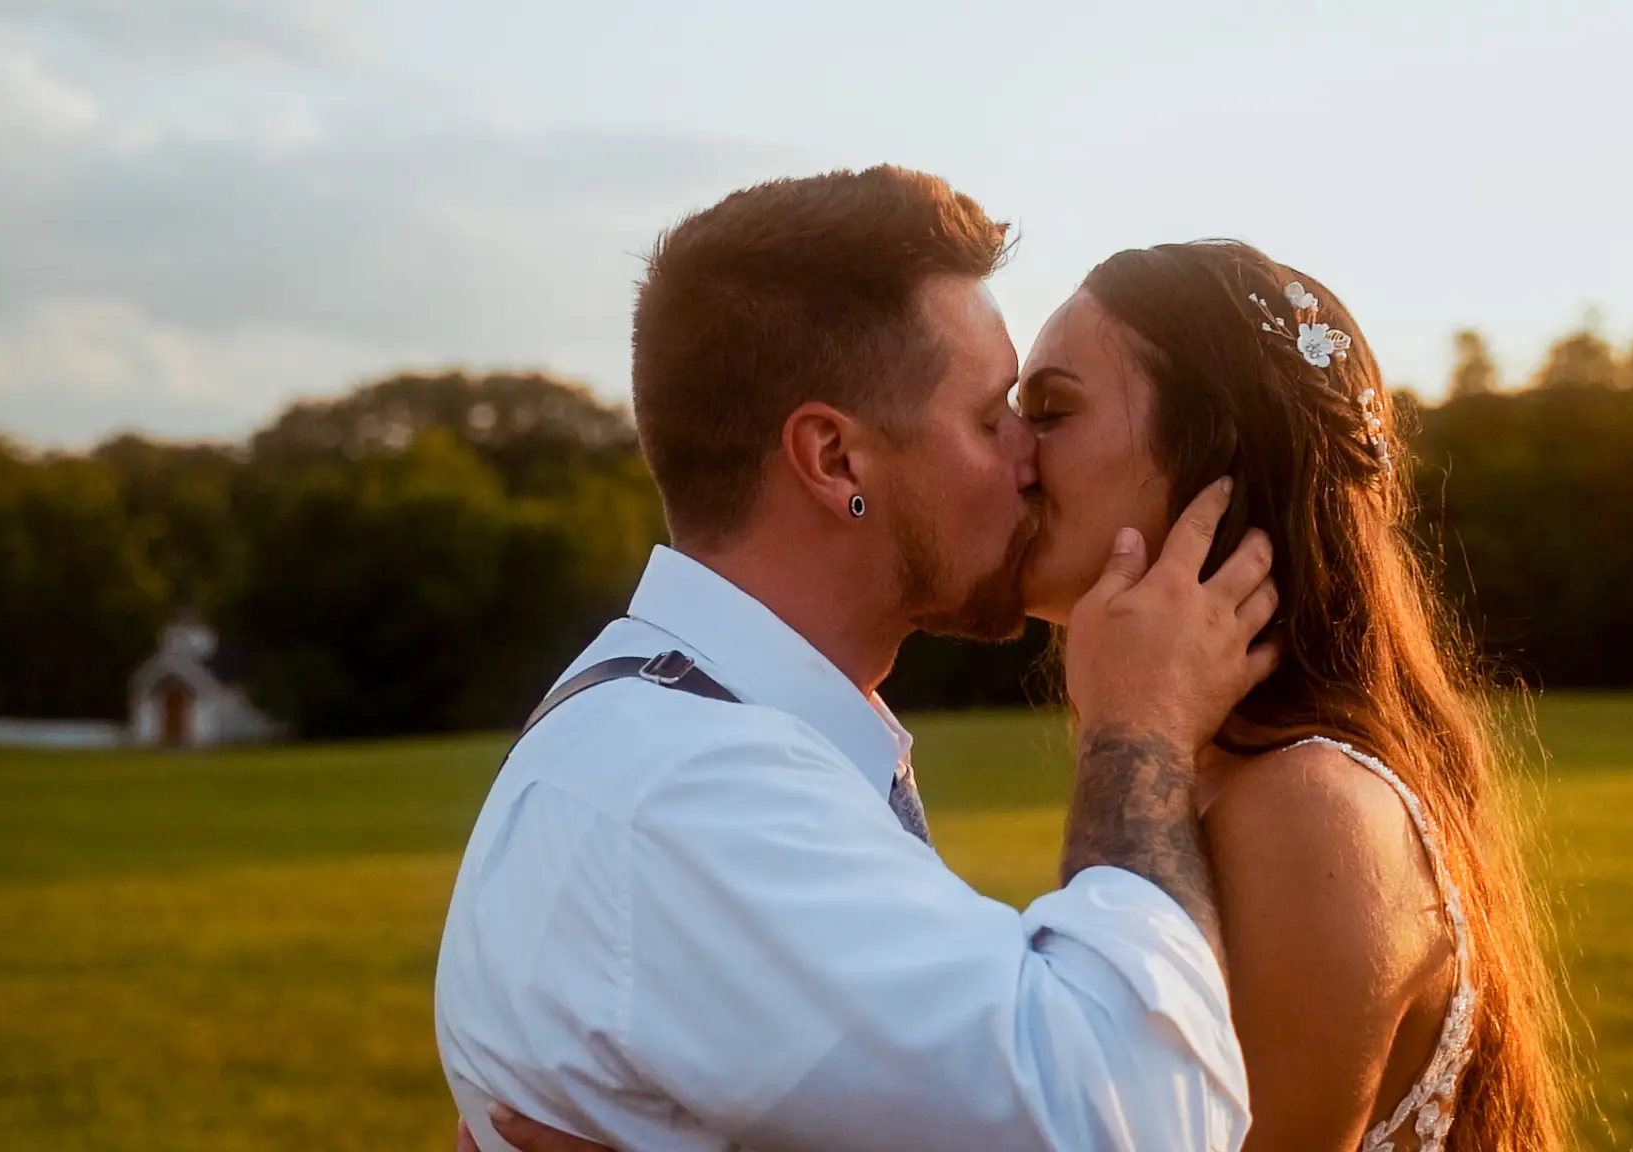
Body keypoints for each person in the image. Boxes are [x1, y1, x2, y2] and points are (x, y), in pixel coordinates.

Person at [472, 240, 1572, 1152]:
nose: (1014, 457)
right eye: (999, 415)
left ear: (1211, 455)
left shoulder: (1306, 809)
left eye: (1045, 410)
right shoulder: (1212, 779)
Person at [435, 169, 1280, 1152]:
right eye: (987, 418)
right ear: (837, 462)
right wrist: (1139, 734)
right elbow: (1134, 1118)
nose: (1026, 457)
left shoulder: (658, 726)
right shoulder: (694, 786)